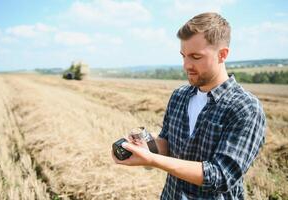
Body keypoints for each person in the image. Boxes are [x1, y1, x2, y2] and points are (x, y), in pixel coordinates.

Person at [112, 12, 266, 199]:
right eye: (183, 56)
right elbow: (167, 143)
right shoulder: (179, 96)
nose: (186, 65)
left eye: (195, 56)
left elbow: (221, 176)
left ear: (222, 54)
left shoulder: (245, 108)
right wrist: (145, 146)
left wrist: (154, 160)